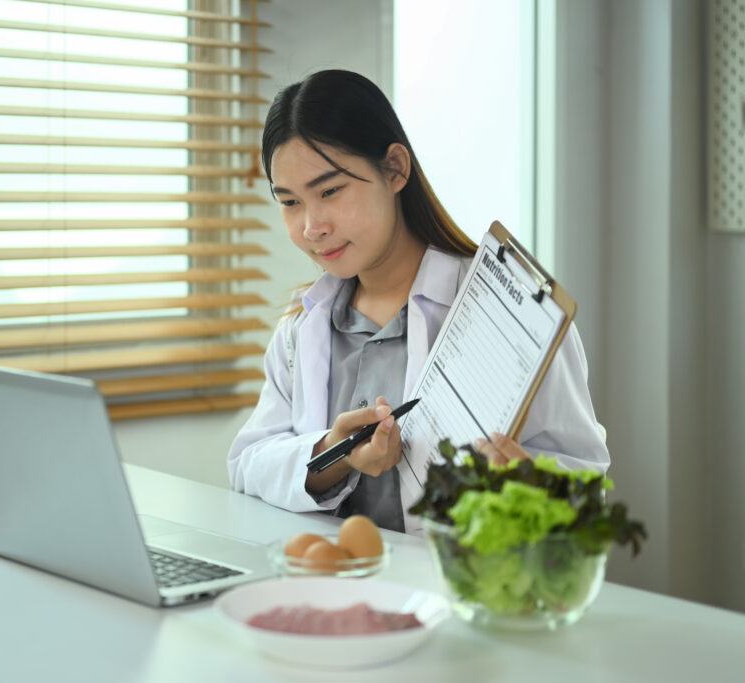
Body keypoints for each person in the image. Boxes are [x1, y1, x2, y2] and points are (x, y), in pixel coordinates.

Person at [227, 70, 609, 533]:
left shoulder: (509, 309)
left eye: (329, 191)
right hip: (336, 588)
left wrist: (522, 488)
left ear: (394, 169)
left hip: (460, 591)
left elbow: (584, 480)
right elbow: (247, 463)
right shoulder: (301, 325)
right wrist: (335, 453)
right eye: (289, 202)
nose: (312, 226)